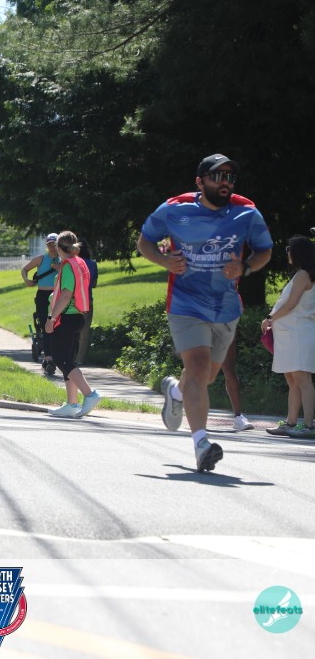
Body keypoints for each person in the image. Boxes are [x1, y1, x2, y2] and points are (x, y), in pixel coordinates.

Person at [137, 152, 273, 472]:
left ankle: (175, 391)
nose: (225, 182)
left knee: (207, 376)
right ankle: (201, 444)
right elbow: (145, 242)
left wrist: (245, 268)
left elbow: (265, 250)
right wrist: (164, 260)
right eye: (218, 176)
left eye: (230, 177)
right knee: (197, 366)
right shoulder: (174, 208)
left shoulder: (246, 211)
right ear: (200, 181)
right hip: (185, 303)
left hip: (225, 307)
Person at [44, 231, 102, 418]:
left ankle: (90, 394)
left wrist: (52, 318)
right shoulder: (80, 263)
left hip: (66, 318)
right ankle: (71, 403)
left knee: (60, 359)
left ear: (60, 248)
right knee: (68, 360)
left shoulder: (68, 266)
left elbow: (66, 294)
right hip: (77, 317)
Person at [262, 235, 315, 438]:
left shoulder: (303, 275)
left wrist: (270, 318)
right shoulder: (302, 275)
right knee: (292, 380)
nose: (287, 253)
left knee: (303, 380)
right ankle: (290, 422)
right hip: (291, 335)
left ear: (298, 252)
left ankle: (308, 426)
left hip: (298, 335)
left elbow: (291, 304)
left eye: (289, 249)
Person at [21, 233, 62, 374]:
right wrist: (27, 280)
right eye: (49, 245)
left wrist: (60, 268)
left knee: (57, 326)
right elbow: (24, 269)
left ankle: (55, 356)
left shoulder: (63, 260)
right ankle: (48, 358)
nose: (52, 247)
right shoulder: (41, 259)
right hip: (43, 295)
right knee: (45, 325)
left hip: (58, 296)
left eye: (54, 245)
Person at [75, 241, 98, 365]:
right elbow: (94, 284)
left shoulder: (74, 263)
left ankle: (70, 354)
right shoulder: (93, 264)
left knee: (70, 327)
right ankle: (80, 358)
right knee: (85, 330)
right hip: (87, 299)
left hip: (73, 298)